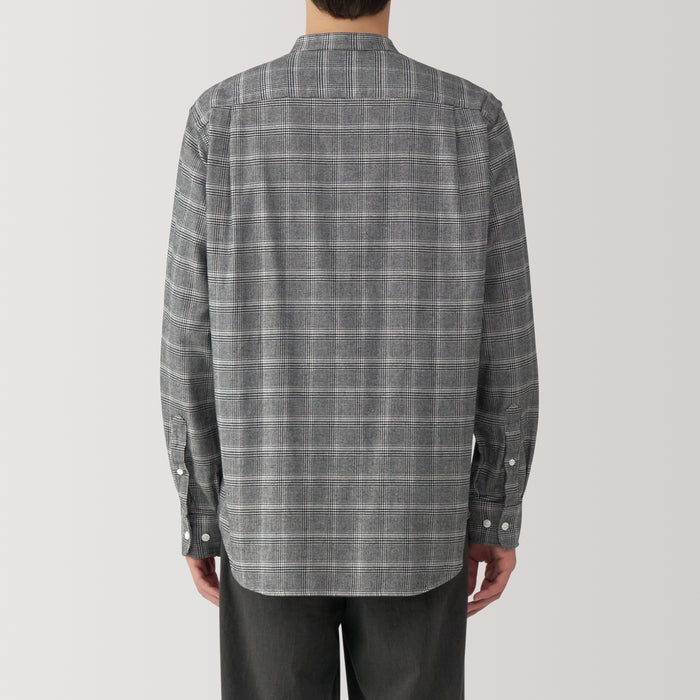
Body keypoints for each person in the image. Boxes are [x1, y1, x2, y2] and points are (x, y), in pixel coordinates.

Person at [159, 1, 539, 697]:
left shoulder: (222, 118)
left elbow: (188, 338)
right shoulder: (472, 119)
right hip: (417, 519)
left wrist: (202, 511)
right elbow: (506, 336)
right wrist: (494, 506)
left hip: (270, 518)